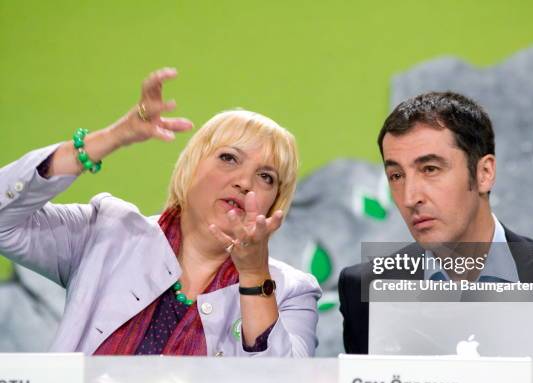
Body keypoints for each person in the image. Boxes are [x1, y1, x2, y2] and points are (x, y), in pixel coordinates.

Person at [0, 68, 321, 356]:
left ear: (275, 202)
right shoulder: (107, 232)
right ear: (191, 166)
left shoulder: (292, 290)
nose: (244, 182)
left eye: (266, 177)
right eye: (229, 158)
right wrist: (109, 139)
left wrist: (253, 275)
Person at [338, 91, 533, 361]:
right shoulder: (362, 290)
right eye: (396, 175)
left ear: (484, 174)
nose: (410, 197)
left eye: (430, 169)